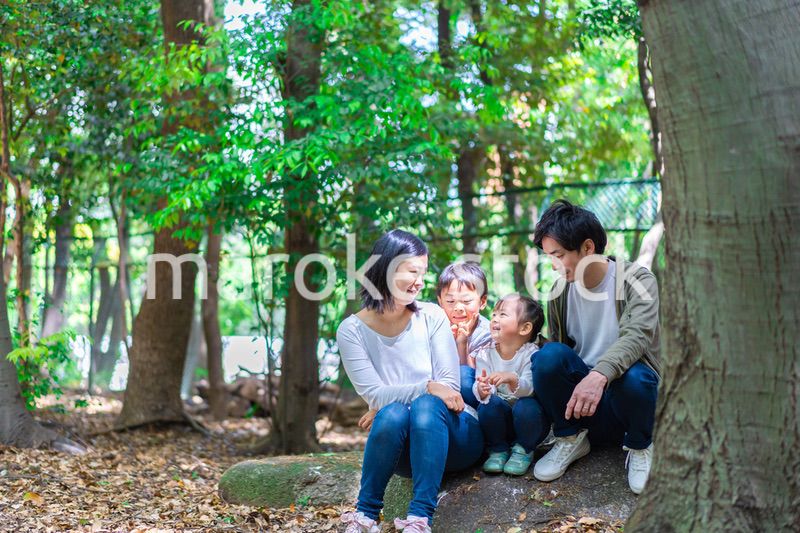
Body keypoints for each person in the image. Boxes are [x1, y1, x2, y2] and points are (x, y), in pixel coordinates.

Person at [336, 230, 484, 533]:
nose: (420, 282)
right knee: (392, 413)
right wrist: (426, 386)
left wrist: (404, 396)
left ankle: (419, 518)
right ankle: (365, 516)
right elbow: (375, 394)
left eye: (423, 273)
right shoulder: (351, 331)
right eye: (413, 272)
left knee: (423, 406)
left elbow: (449, 389)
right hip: (404, 451)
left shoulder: (432, 316)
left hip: (456, 436)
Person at [530, 199, 661, 494]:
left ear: (588, 248)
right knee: (548, 356)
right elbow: (560, 354)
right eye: (549, 256)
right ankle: (571, 438)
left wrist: (598, 375)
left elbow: (636, 336)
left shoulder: (637, 280)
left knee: (635, 376)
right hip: (584, 405)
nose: (552, 264)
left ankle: (641, 445)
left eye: (559, 255)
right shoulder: (558, 292)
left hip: (628, 400)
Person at [472, 294, 550, 476]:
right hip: (502, 419)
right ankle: (498, 449)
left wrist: (512, 378)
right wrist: (483, 389)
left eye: (502, 315)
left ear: (524, 328)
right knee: (488, 404)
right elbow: (479, 382)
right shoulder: (485, 354)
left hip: (526, 420)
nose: (494, 319)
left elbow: (530, 389)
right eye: (494, 315)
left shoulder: (530, 353)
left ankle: (524, 449)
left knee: (527, 406)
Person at [435, 261, 493, 409]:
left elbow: (470, 378)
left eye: (466, 301)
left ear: (482, 301)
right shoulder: (435, 327)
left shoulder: (487, 333)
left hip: (480, 399)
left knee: (463, 374)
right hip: (441, 396)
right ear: (440, 301)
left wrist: (462, 343)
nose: (458, 308)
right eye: (450, 301)